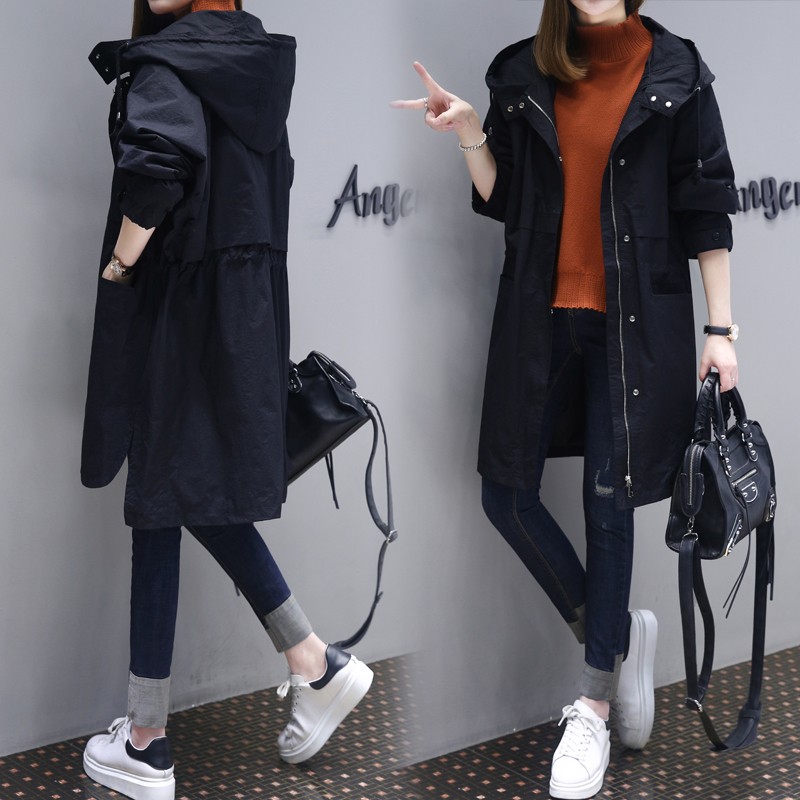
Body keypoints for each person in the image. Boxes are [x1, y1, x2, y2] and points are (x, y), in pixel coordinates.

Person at [393, 0, 737, 796]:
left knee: (608, 505)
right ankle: (615, 641)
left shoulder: (677, 72)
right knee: (505, 494)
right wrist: (470, 130)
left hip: (634, 325)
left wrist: (722, 328)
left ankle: (593, 704)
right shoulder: (524, 71)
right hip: (538, 321)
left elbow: (706, 206)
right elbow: (504, 197)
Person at [81, 2, 372, 798]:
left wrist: (120, 263)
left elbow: (159, 166)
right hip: (241, 317)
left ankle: (148, 743)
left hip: (178, 312)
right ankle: (308, 663)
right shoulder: (256, 64)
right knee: (176, 497)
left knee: (162, 498)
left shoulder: (169, 63)